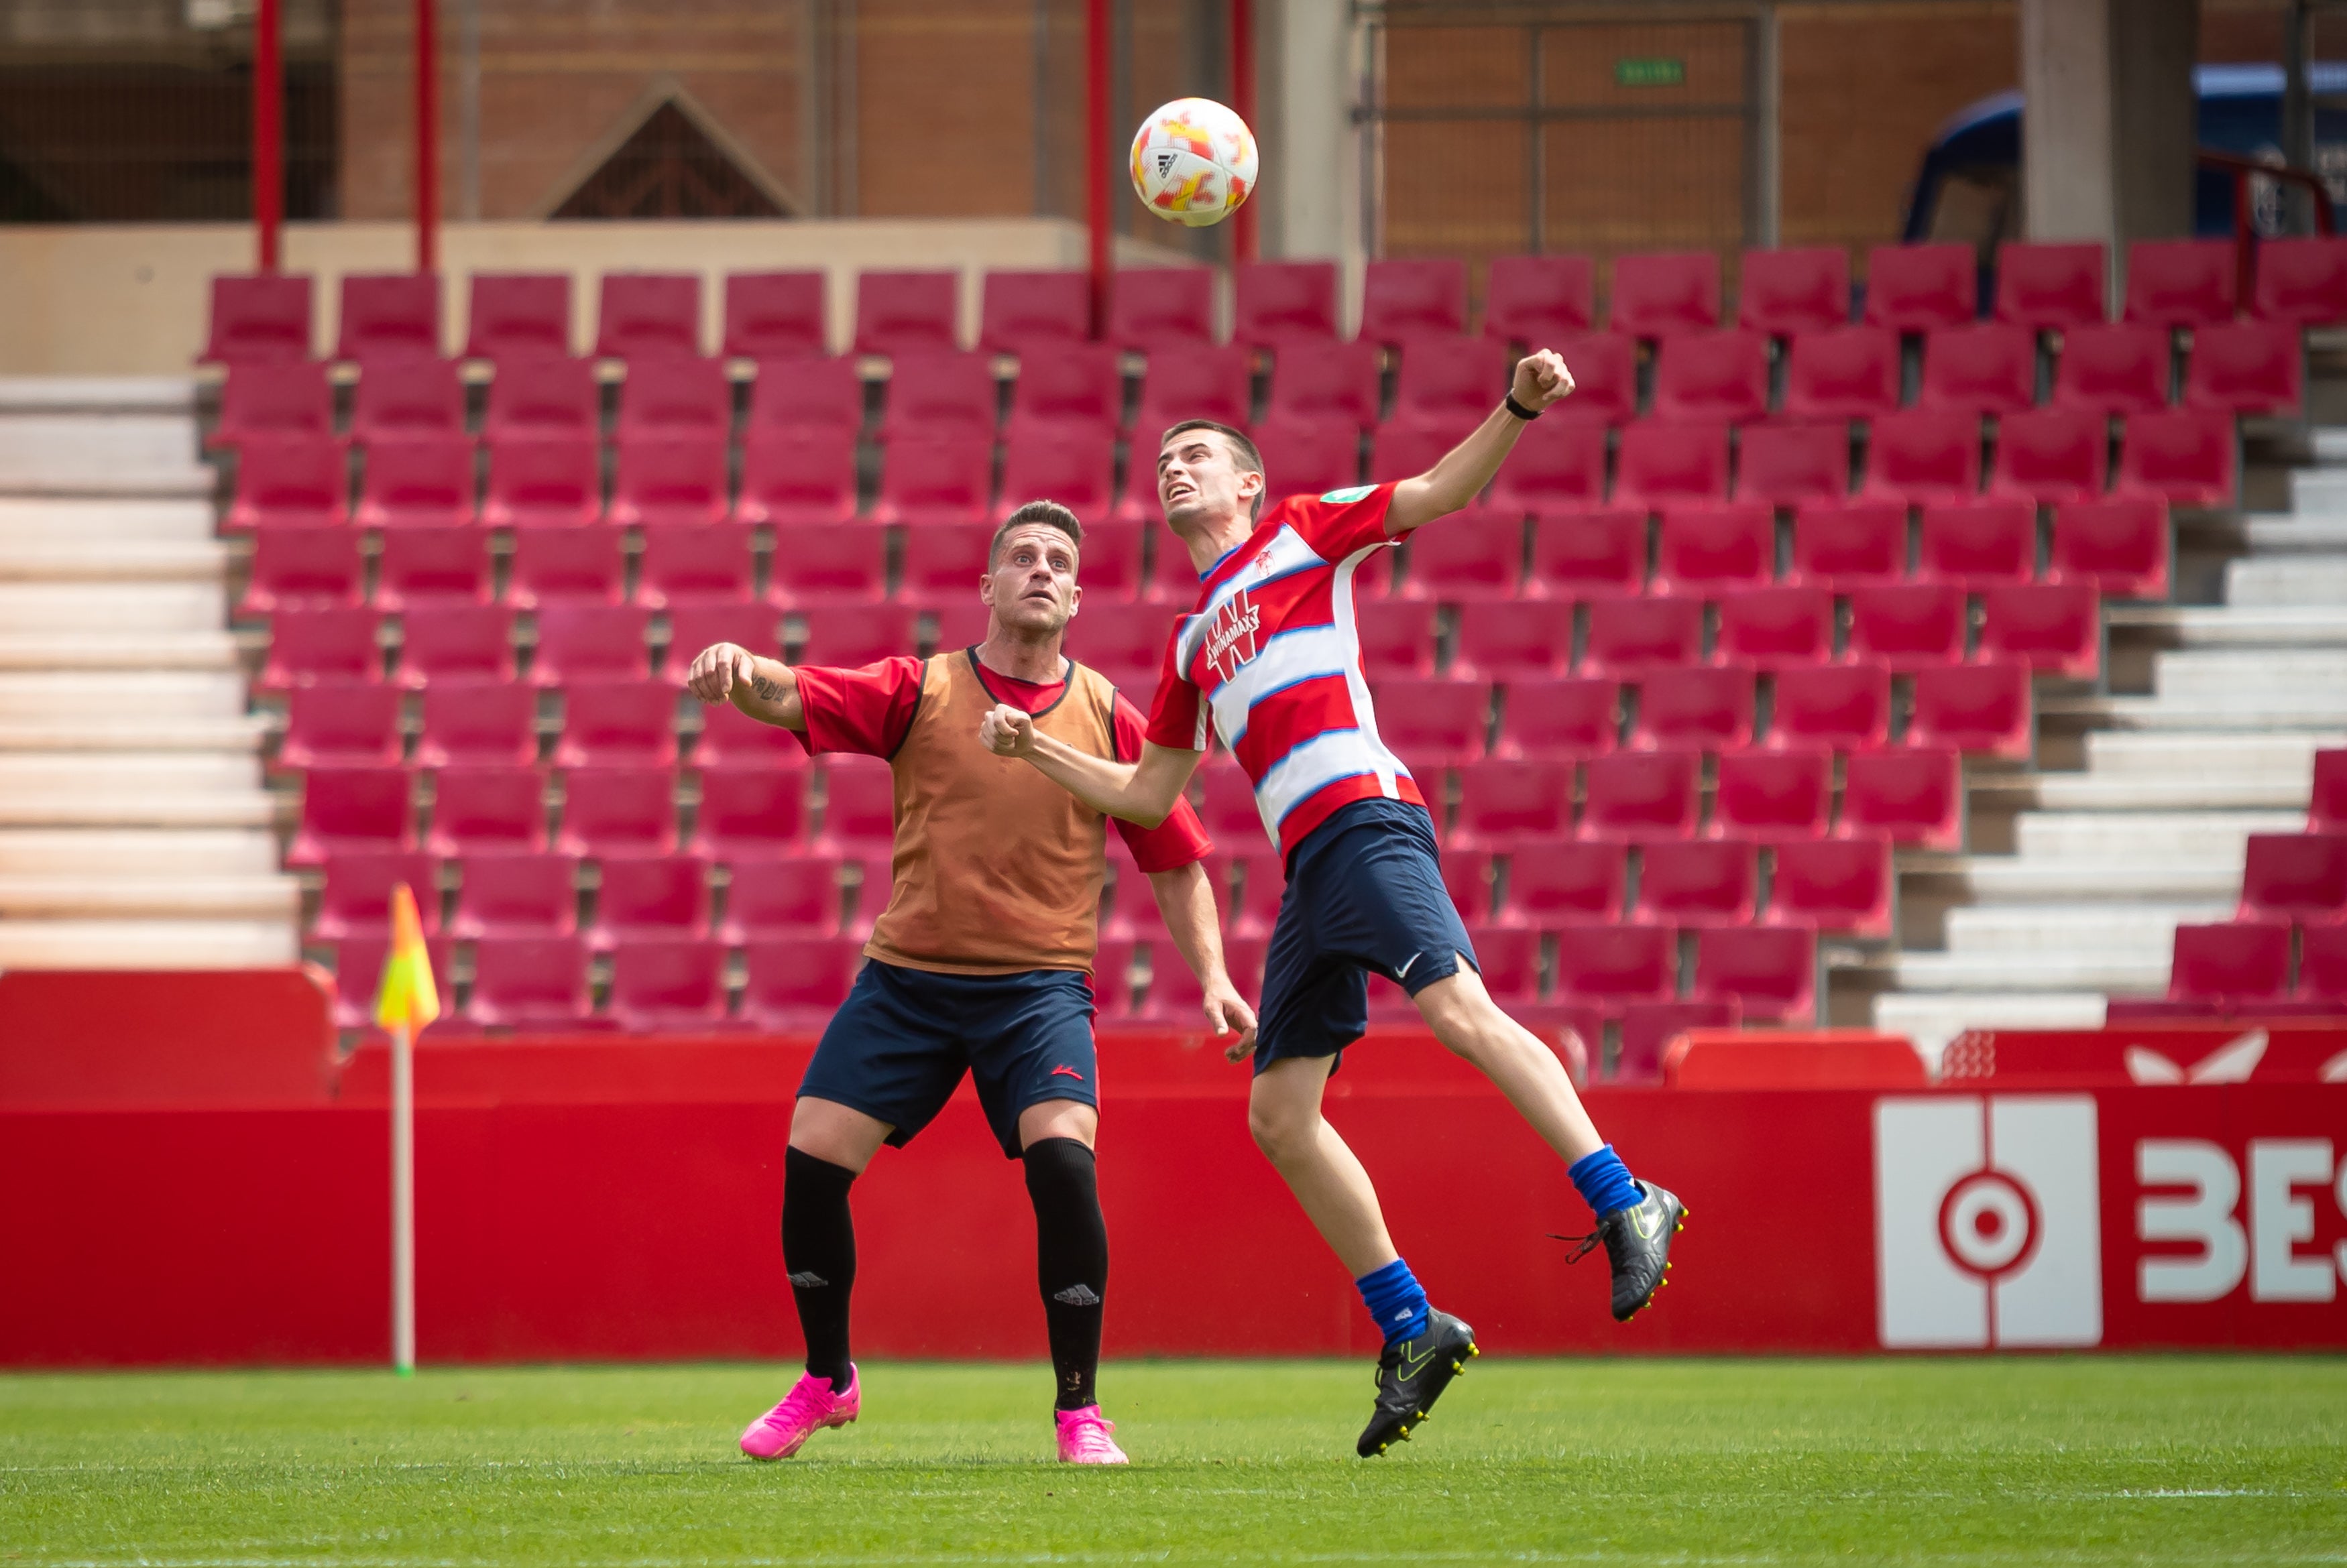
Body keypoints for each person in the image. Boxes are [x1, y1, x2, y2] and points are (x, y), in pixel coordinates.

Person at [979, 352, 1684, 1459]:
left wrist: (1517, 408)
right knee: (1278, 1116)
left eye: (1197, 456)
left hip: (1364, 813)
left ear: (1249, 484)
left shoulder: (1301, 532)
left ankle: (1623, 1192)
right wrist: (1040, 752)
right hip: (1310, 866)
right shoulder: (1186, 641)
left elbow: (1438, 494)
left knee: (1457, 1012)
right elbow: (1150, 795)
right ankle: (1414, 1325)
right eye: (1163, 461)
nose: (1174, 470)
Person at [687, 500, 1253, 1466]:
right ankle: (829, 1381)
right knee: (811, 1160)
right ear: (987, 587)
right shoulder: (923, 689)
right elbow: (796, 694)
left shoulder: (1109, 715)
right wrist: (741, 670)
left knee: (1065, 1163)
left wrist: (1215, 976)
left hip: (1037, 991)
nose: (1040, 569)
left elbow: (1173, 859)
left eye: (1057, 561)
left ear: (1075, 596)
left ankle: (1080, 1414)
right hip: (907, 981)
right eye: (1021, 557)